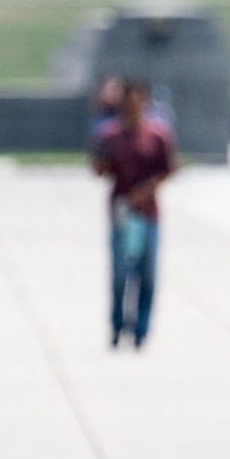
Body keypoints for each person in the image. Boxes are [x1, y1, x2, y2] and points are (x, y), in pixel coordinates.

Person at [88, 77, 177, 349]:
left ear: (145, 102)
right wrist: (100, 158)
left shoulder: (158, 135)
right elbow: (100, 171)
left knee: (147, 274)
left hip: (147, 212)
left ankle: (141, 328)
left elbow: (169, 169)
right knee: (119, 272)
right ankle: (117, 324)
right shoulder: (109, 135)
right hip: (122, 212)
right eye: (127, 100)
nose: (133, 105)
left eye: (138, 100)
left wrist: (148, 188)